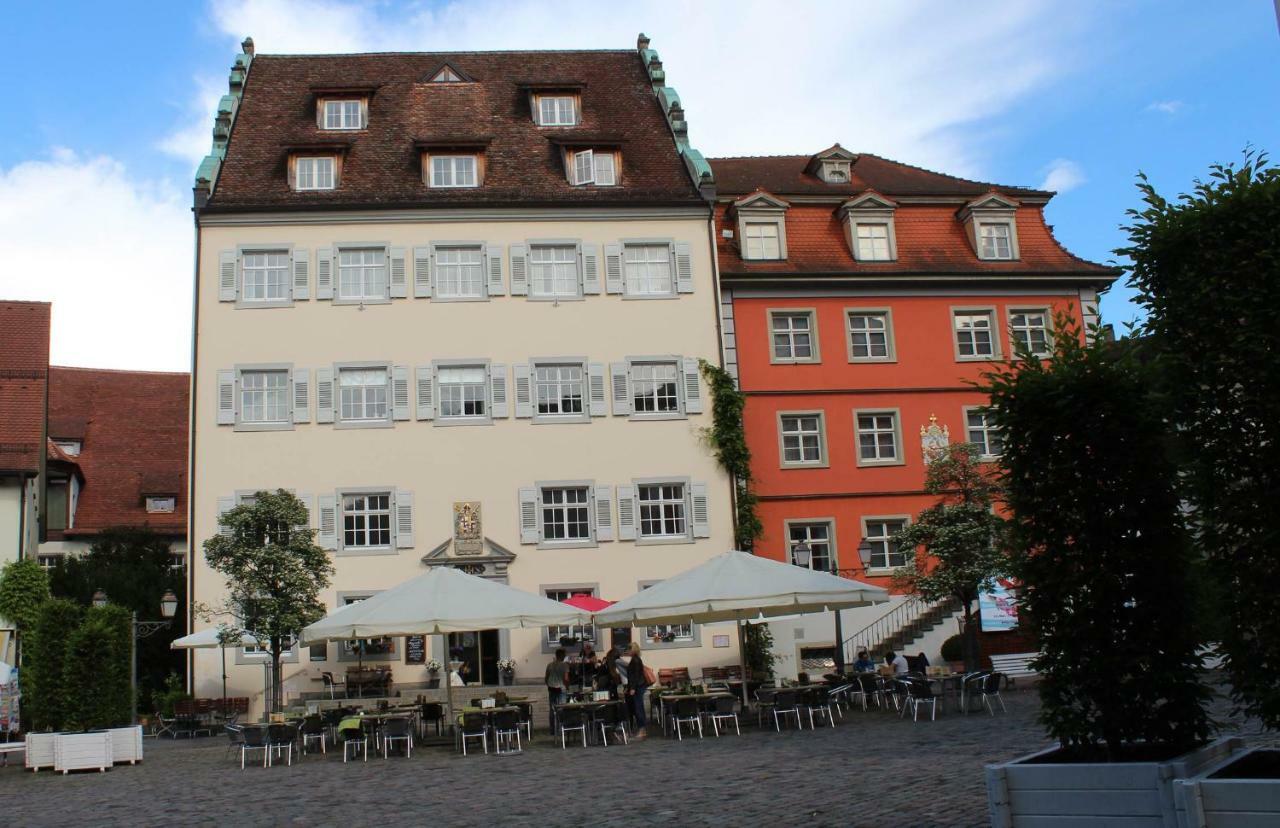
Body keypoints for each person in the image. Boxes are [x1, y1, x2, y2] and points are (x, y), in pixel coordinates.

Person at [624, 642, 650, 740]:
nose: (627, 651)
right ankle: (642, 730)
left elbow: (635, 676)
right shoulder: (635, 660)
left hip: (638, 687)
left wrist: (633, 688)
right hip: (638, 686)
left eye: (629, 649)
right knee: (639, 708)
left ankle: (642, 730)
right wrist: (629, 686)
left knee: (638, 709)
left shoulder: (635, 660)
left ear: (633, 650)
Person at [544, 647, 569, 732]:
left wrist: (548, 684)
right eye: (565, 655)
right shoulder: (565, 665)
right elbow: (566, 678)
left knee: (552, 709)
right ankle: (562, 727)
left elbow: (546, 677)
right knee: (562, 708)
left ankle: (552, 729)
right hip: (561, 688)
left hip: (551, 688)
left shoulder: (550, 665)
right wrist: (567, 686)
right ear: (562, 655)